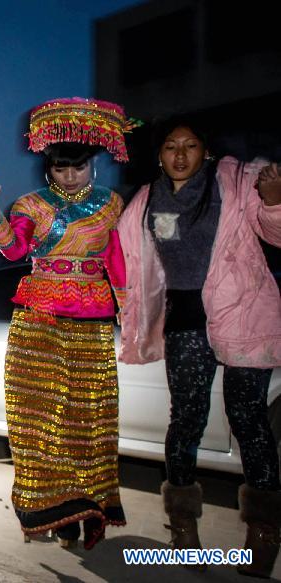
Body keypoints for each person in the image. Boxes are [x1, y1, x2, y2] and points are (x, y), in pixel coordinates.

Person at [117, 118, 281, 577]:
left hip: (245, 311)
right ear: (159, 154)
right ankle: (183, 527)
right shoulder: (147, 199)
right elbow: (125, 256)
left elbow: (276, 234)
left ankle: (264, 533)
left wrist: (273, 201)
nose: (181, 154)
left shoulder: (237, 181)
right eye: (171, 146)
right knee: (186, 418)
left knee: (248, 419)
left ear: (205, 150)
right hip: (185, 320)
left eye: (190, 145)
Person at [0, 98, 134, 549]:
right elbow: (13, 251)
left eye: (78, 168)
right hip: (40, 313)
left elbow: (118, 263)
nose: (70, 177)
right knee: (39, 412)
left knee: (90, 414)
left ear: (93, 166)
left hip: (92, 315)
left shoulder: (111, 205)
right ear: (48, 170)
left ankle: (91, 504)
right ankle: (54, 508)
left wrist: (129, 313)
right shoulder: (31, 204)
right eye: (61, 169)